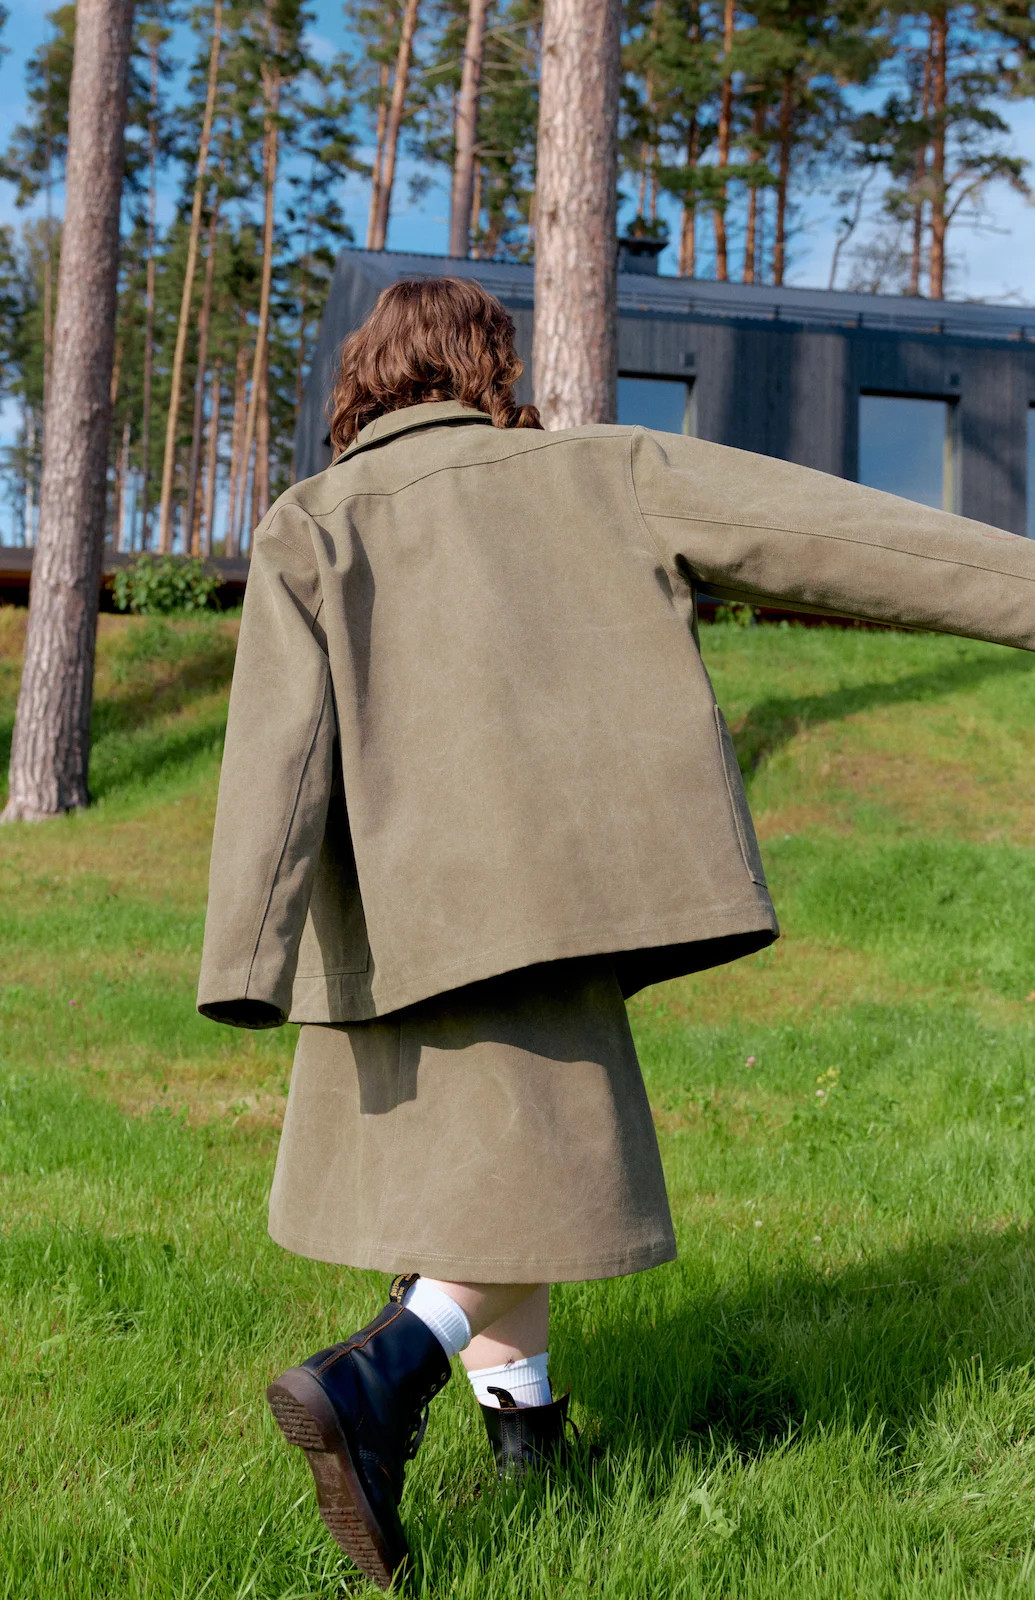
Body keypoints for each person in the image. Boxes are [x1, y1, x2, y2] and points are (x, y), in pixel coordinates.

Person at [197, 276, 1035, 1590]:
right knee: (549, 1179)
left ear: (363, 383)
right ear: (488, 367)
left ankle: (532, 1461)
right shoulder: (600, 470)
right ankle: (376, 1377)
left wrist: (247, 957)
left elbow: (273, 757)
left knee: (492, 1186)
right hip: (545, 902)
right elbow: (839, 537)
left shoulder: (309, 519)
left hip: (387, 928)